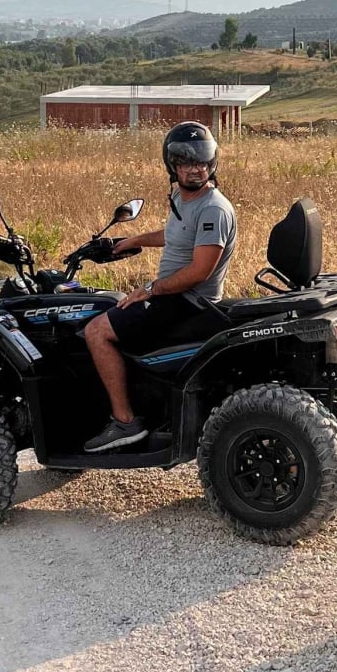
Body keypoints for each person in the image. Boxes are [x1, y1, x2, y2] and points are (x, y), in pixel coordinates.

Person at [81, 122, 237, 452]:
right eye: (186, 162)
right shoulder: (185, 199)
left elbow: (199, 271)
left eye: (202, 162)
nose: (195, 169)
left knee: (96, 330)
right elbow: (176, 236)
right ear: (173, 166)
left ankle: (125, 422)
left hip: (186, 302)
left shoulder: (213, 208)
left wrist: (151, 289)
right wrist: (133, 240)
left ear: (212, 164)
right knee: (116, 308)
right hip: (173, 297)